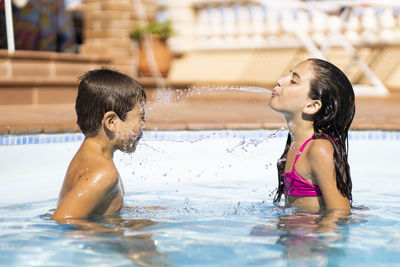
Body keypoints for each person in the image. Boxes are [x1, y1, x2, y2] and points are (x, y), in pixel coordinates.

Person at [52, 68, 146, 220]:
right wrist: (114, 232)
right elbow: (63, 220)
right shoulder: (104, 173)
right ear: (111, 122)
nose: (143, 125)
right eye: (141, 118)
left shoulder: (89, 157)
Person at [269, 58, 355, 211]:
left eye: (294, 81)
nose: (281, 81)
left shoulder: (319, 149)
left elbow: (340, 214)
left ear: (312, 105)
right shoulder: (295, 143)